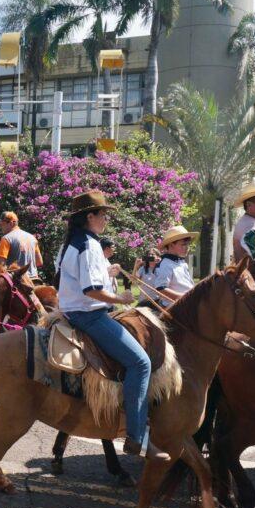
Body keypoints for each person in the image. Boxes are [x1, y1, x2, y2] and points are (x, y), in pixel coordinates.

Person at [56, 190, 167, 461]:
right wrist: (122, 298)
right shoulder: (90, 245)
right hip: (89, 315)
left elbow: (76, 278)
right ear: (89, 217)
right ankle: (137, 437)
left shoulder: (72, 242)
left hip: (72, 311)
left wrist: (107, 272)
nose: (106, 219)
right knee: (141, 363)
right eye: (103, 214)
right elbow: (92, 290)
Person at [152, 226, 198, 307]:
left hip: (189, 305)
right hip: (174, 308)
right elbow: (161, 289)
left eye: (188, 244)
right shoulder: (165, 264)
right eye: (183, 245)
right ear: (171, 245)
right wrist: (184, 298)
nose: (187, 247)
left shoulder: (182, 262)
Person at [0, 211, 43, 280]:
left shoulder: (7, 238)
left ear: (11, 223)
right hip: (34, 279)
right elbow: (39, 262)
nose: (1, 226)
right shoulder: (32, 238)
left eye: (2, 224)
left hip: (18, 281)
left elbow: (0, 263)